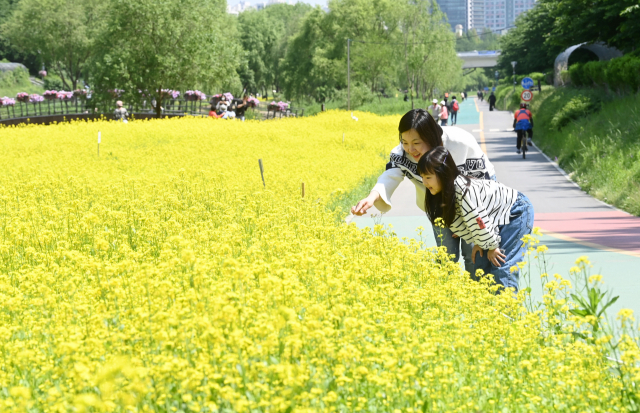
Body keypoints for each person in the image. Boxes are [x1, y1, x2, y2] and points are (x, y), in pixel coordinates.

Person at [351, 109, 497, 275]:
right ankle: (445, 295)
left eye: (416, 142)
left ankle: (477, 295)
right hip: (437, 207)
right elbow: (391, 174)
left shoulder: (461, 143)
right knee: (446, 256)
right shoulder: (401, 153)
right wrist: (372, 197)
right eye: (404, 142)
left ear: (431, 136)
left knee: (473, 255)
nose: (410, 149)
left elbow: (482, 183)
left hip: (471, 204)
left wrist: (464, 219)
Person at [417, 146, 534, 291]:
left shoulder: (463, 190)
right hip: (493, 218)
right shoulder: (442, 193)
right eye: (422, 177)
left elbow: (478, 219)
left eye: (428, 177)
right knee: (481, 262)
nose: (424, 182)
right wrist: (480, 242)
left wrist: (491, 246)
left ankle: (505, 311)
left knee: (501, 265)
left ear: (443, 174)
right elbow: (470, 222)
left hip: (515, 211)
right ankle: (486, 308)